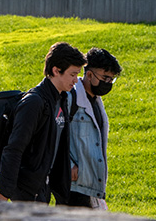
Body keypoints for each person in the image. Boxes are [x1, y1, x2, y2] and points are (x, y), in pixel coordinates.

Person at [0, 41, 85, 203]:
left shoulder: (62, 99)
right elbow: (14, 148)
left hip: (43, 188)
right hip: (26, 191)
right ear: (56, 70)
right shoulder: (34, 103)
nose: (76, 80)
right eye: (72, 74)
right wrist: (4, 193)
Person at [61, 47, 122, 209]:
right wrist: (68, 164)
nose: (107, 83)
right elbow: (52, 135)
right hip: (73, 184)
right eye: (105, 78)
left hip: (91, 185)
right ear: (89, 74)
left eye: (111, 80)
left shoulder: (96, 101)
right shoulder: (69, 97)